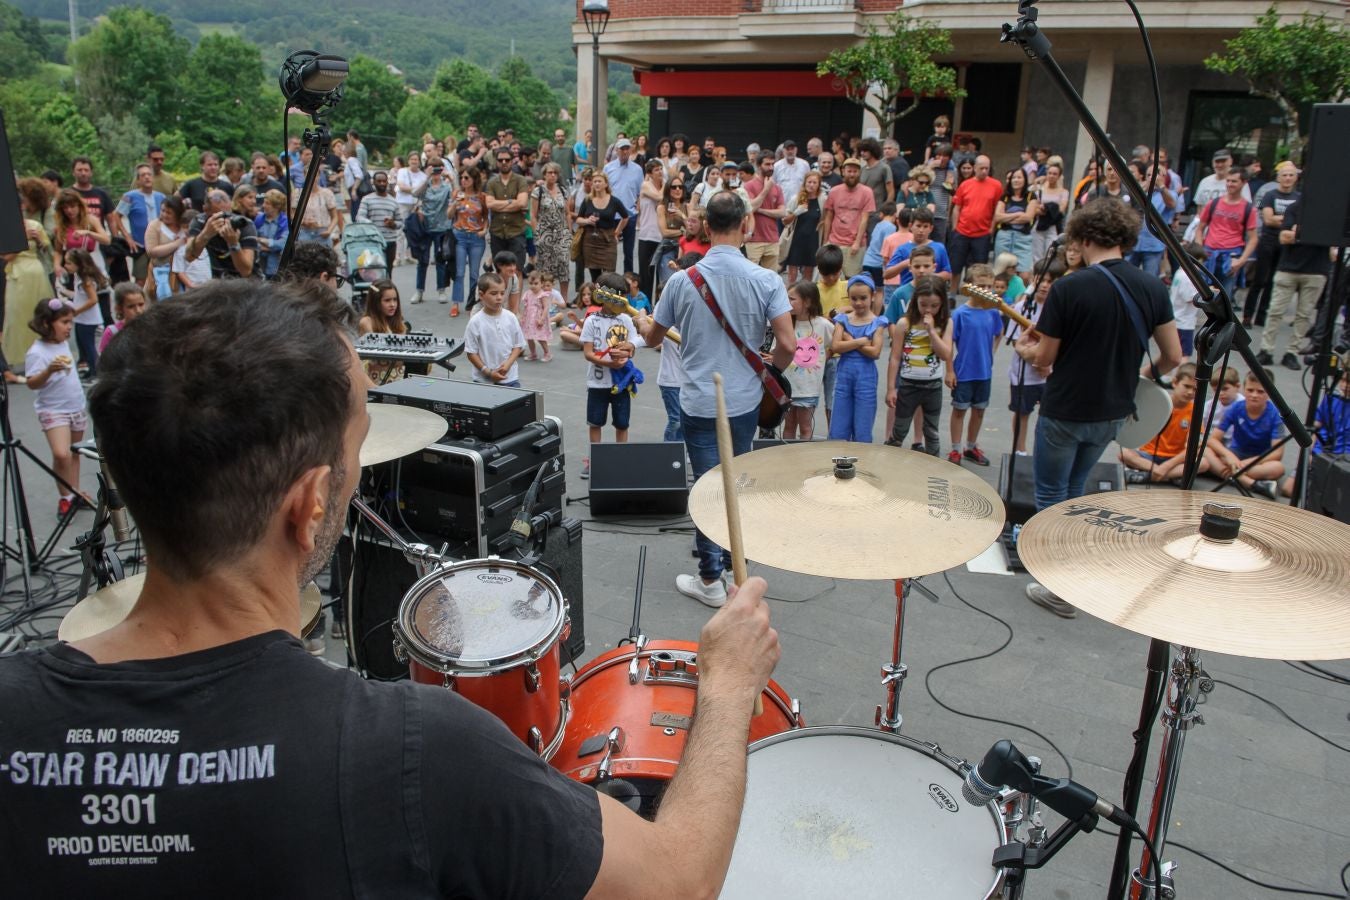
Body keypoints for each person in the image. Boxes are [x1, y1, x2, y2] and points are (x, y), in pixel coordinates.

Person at [0, 277, 781, 897]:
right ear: (310, 508)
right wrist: (726, 687)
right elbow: (677, 882)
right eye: (359, 446)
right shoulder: (417, 754)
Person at [1015, 198, 1181, 618]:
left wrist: (1024, 348)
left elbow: (1045, 358)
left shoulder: (1070, 287)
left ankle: (1060, 585)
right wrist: (1140, 376)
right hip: (1113, 411)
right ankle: (1072, 572)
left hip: (1067, 407)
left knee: (1052, 495)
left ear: (1083, 238)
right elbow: (1174, 356)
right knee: (1076, 492)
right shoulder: (1153, 287)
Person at [640, 193, 795, 607]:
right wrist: (770, 370)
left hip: (697, 399)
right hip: (745, 399)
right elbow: (788, 344)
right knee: (735, 482)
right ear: (746, 225)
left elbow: (654, 338)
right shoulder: (767, 280)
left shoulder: (681, 280)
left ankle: (711, 577)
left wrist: (642, 324)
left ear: (706, 227)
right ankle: (731, 567)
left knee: (707, 487)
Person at [24, 298, 87, 514]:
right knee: (62, 454)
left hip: (75, 405)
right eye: (64, 322)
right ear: (46, 324)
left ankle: (75, 493)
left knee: (74, 453)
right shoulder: (36, 352)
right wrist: (48, 371)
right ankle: (65, 497)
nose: (69, 327)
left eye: (70, 322)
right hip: (53, 409)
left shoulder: (62, 344)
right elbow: (32, 383)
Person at [1259, 195, 1329, 370]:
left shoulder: (1329, 212)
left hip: (1316, 271)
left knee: (1304, 316)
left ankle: (1292, 353)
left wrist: (1298, 232)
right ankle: (1265, 350)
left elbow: (1328, 239)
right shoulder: (1295, 208)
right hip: (1288, 269)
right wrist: (1313, 232)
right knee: (1275, 311)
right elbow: (1283, 237)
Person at [885, 275, 954, 455]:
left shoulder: (946, 323)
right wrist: (891, 388)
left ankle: (933, 469)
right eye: (923, 305)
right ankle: (889, 463)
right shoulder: (904, 323)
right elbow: (895, 357)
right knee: (899, 429)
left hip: (933, 386)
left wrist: (931, 331)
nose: (928, 310)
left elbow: (945, 354)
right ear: (916, 301)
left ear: (942, 304)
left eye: (934, 306)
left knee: (931, 432)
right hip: (908, 384)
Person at [581, 272, 640, 479]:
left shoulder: (626, 319)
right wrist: (608, 362)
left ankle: (620, 458)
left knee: (622, 423)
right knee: (595, 422)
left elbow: (634, 345)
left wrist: (625, 355)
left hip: (621, 383)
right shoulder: (591, 321)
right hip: (597, 383)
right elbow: (588, 353)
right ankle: (594, 459)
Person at [945, 263, 1003, 466]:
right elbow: (950, 341)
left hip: (984, 372)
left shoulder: (993, 312)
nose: (986, 291)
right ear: (970, 286)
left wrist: (991, 353)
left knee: (979, 410)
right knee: (959, 410)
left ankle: (970, 446)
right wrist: (950, 370)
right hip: (964, 371)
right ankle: (955, 449)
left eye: (990, 286)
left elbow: (998, 333)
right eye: (981, 286)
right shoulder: (961, 313)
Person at [1120, 362, 1210, 484]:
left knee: (1204, 463)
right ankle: (1168, 476)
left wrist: (1166, 466)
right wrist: (1159, 468)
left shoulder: (1195, 411)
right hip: (1149, 455)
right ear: (1174, 382)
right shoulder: (1160, 403)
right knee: (1124, 453)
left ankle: (1149, 476)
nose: (1190, 392)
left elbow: (1194, 446)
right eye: (1186, 386)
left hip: (1174, 459)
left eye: (1195, 389)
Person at [1004, 260, 1060, 456]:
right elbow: (1013, 340)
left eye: (1051, 281)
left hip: (1051, 374)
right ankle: (1020, 450)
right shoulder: (1021, 308)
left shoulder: (1060, 309)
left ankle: (1044, 452)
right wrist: (1036, 355)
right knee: (1022, 412)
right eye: (1041, 279)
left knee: (1049, 415)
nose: (1045, 285)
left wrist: (1047, 361)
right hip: (1024, 374)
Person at [1206, 369, 1286, 498]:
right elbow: (1213, 439)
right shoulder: (1236, 408)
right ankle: (1250, 483)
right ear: (1243, 389)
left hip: (1259, 459)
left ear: (1270, 393)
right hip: (1235, 454)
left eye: (1260, 391)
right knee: (1204, 449)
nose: (1254, 395)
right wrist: (1229, 456)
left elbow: (1277, 453)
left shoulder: (1276, 415)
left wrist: (1249, 462)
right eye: (1250, 390)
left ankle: (1227, 474)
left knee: (1278, 468)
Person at [827, 273, 888, 442]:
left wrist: (848, 339)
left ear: (873, 297)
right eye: (854, 298)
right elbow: (835, 346)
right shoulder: (842, 319)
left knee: (863, 427)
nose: (859, 303)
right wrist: (860, 341)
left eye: (863, 298)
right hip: (844, 375)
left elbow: (875, 352)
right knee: (839, 426)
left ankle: (862, 464)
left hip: (866, 377)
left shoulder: (878, 322)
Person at [4, 180, 56, 377]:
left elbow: (48, 249)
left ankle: (45, 353)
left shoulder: (35, 224)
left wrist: (39, 240)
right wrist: (20, 239)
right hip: (17, 273)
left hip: (36, 272)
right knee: (16, 315)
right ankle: (16, 358)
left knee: (41, 313)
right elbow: (6, 256)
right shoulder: (8, 229)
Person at [1245, 160, 1300, 327]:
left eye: (1291, 175)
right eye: (1284, 175)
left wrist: (1281, 219)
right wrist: (1289, 221)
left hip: (1287, 245)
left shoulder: (1299, 198)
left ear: (1296, 178)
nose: (1288, 178)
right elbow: (1268, 220)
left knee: (1273, 282)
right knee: (1259, 280)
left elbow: (1299, 222)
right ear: (1279, 177)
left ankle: (1262, 316)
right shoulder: (1271, 195)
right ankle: (1248, 315)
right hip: (1268, 241)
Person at [1193, 170, 1257, 301]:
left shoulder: (1249, 208)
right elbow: (1200, 229)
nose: (1230, 184)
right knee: (1200, 298)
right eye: (1228, 181)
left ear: (1244, 183)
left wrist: (1241, 260)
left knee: (1225, 299)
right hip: (1208, 254)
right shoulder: (1214, 203)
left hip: (1231, 257)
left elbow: (1253, 239)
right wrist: (1200, 250)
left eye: (1234, 181)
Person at [783, 280, 832, 441]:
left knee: (805, 427)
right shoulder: (786, 324)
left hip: (809, 388)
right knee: (788, 426)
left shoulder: (823, 325)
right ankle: (786, 458)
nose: (787, 302)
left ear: (808, 302)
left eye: (792, 298)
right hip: (788, 387)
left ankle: (804, 461)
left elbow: (835, 345)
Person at [947, 155, 1003, 287]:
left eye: (987, 168)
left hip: (982, 233)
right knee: (956, 266)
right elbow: (957, 208)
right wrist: (955, 227)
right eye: (981, 168)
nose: (984, 171)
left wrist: (991, 229)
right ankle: (953, 295)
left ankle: (976, 295)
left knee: (979, 268)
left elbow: (997, 209)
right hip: (962, 231)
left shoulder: (996, 186)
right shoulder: (965, 184)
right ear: (975, 168)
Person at [464, 273, 525, 388]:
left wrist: (507, 365)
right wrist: (488, 372)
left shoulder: (511, 317)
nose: (499, 297)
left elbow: (518, 345)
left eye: (502, 293)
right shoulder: (475, 322)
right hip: (483, 380)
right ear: (481, 295)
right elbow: (471, 352)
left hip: (509, 378)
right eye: (494, 293)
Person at [57, 248, 108, 379]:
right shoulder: (78, 277)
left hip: (89, 320)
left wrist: (76, 311)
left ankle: (96, 373)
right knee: (84, 347)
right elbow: (80, 297)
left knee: (90, 347)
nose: (65, 266)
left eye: (69, 263)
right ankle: (91, 370)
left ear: (79, 264)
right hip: (82, 319)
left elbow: (93, 299)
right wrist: (64, 292)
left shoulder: (86, 281)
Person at [819, 158, 875, 277]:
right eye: (849, 171)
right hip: (834, 241)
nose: (852, 174)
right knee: (830, 275)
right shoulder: (834, 191)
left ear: (859, 173)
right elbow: (828, 217)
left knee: (851, 277)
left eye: (855, 171)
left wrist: (857, 242)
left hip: (854, 243)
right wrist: (825, 241)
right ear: (843, 172)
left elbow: (865, 219)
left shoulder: (867, 192)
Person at [110, 164, 165, 283]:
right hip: (140, 244)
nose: (147, 177)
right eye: (143, 175)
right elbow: (116, 215)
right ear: (138, 180)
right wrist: (127, 237)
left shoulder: (161, 197)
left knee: (161, 277)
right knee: (141, 279)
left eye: (149, 174)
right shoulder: (130, 197)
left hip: (159, 244)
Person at [185, 190, 258, 279]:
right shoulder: (200, 221)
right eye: (217, 216)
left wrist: (233, 244)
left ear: (230, 206)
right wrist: (205, 234)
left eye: (226, 215)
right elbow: (189, 257)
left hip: (244, 284)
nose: (223, 220)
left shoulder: (244, 224)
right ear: (205, 209)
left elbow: (246, 271)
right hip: (215, 282)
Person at [411, 162, 454, 304]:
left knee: (440, 259)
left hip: (441, 227)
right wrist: (426, 177)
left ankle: (441, 290)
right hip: (425, 227)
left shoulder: (446, 186)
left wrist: (452, 178)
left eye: (438, 169)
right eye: (433, 169)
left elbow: (458, 194)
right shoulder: (426, 185)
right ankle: (419, 291)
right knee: (422, 261)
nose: (436, 172)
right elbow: (415, 194)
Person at [814, 243, 846, 429]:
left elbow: (858, 308)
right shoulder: (813, 290)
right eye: (827, 274)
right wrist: (830, 317)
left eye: (835, 273)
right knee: (809, 399)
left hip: (838, 354)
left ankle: (833, 433)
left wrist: (843, 310)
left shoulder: (848, 287)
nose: (832, 278)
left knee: (832, 400)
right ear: (819, 271)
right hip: (817, 353)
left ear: (841, 269)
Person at [531, 163, 572, 302]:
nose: (552, 175)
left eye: (555, 172)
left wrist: (569, 232)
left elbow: (567, 213)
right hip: (545, 233)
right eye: (549, 172)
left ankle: (564, 299)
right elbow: (533, 215)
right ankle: (545, 298)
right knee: (546, 267)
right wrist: (537, 234)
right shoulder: (538, 192)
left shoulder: (563, 190)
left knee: (564, 265)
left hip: (561, 233)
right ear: (544, 174)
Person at [484, 148, 530, 270]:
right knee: (500, 271)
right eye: (500, 160)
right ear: (496, 162)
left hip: (516, 231)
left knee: (517, 270)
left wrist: (498, 205)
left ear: (512, 161)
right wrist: (511, 202)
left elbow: (522, 203)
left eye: (507, 159)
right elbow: (489, 204)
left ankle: (516, 290)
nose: (504, 162)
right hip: (497, 232)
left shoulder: (520, 180)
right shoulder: (491, 182)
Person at [603, 138, 644, 275]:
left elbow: (640, 193)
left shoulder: (637, 170)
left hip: (630, 215)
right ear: (616, 151)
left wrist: (638, 212)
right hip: (611, 215)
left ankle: (628, 281)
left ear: (631, 150)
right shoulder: (608, 168)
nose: (625, 151)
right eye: (622, 149)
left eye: (627, 148)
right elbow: (604, 190)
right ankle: (609, 279)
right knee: (609, 251)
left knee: (629, 252)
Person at [577, 173, 628, 282]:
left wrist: (617, 232)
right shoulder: (587, 200)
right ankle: (597, 298)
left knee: (608, 276)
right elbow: (578, 219)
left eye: (599, 181)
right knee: (595, 277)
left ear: (606, 184)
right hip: (591, 241)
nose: (596, 184)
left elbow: (625, 217)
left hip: (608, 240)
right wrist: (587, 221)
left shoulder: (614, 201)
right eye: (594, 181)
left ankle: (606, 298)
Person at [991, 169, 1038, 280]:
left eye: (1019, 177)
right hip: (1004, 238)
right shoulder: (1005, 197)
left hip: (1023, 239)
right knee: (1001, 272)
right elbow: (998, 217)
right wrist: (1018, 214)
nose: (1016, 180)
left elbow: (1028, 217)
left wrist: (1006, 217)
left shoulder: (1031, 196)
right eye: (1014, 178)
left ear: (1025, 180)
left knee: (1024, 275)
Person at [743, 155, 787, 272]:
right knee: (751, 275)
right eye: (767, 164)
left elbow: (782, 212)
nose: (771, 167)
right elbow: (751, 207)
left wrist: (761, 210)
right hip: (753, 239)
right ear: (758, 165)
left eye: (772, 164)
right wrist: (766, 189)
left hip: (772, 238)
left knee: (771, 277)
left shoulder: (777, 188)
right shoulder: (749, 185)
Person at [355, 171, 402, 274]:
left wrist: (392, 223)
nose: (382, 183)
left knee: (388, 271)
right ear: (374, 182)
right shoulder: (367, 199)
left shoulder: (393, 201)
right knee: (374, 273)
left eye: (384, 181)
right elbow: (359, 217)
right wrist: (371, 224)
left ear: (387, 182)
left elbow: (400, 222)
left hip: (390, 242)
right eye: (379, 181)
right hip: (373, 242)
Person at [1170, 242, 1208, 367]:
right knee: (1185, 354)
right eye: (1199, 262)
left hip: (1177, 318)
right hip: (1184, 321)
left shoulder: (1179, 273)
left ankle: (1169, 376)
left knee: (1175, 351)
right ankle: (1178, 377)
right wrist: (1207, 295)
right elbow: (1191, 298)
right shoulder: (1187, 277)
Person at [862, 202, 898, 299]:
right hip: (878, 263)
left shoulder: (878, 225)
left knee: (867, 290)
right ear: (895, 214)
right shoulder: (891, 227)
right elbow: (887, 245)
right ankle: (876, 314)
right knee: (879, 291)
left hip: (867, 260)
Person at [98, 282, 147, 353]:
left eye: (141, 304)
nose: (138, 310)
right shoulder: (112, 332)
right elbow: (104, 361)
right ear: (120, 309)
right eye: (131, 306)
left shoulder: (150, 328)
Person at [254, 190, 290, 280]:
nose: (263, 206)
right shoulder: (259, 219)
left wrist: (263, 241)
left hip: (276, 266)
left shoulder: (285, 222)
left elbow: (283, 244)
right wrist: (272, 246)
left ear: (277, 206)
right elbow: (253, 240)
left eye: (267, 203)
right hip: (259, 264)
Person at [521, 270, 555, 362]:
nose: (533, 286)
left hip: (538, 319)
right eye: (531, 283)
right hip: (529, 319)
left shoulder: (543, 295)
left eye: (536, 283)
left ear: (542, 283)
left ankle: (547, 353)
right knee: (529, 337)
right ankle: (533, 353)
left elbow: (546, 308)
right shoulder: (528, 293)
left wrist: (542, 319)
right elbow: (526, 306)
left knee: (541, 337)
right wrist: (523, 317)